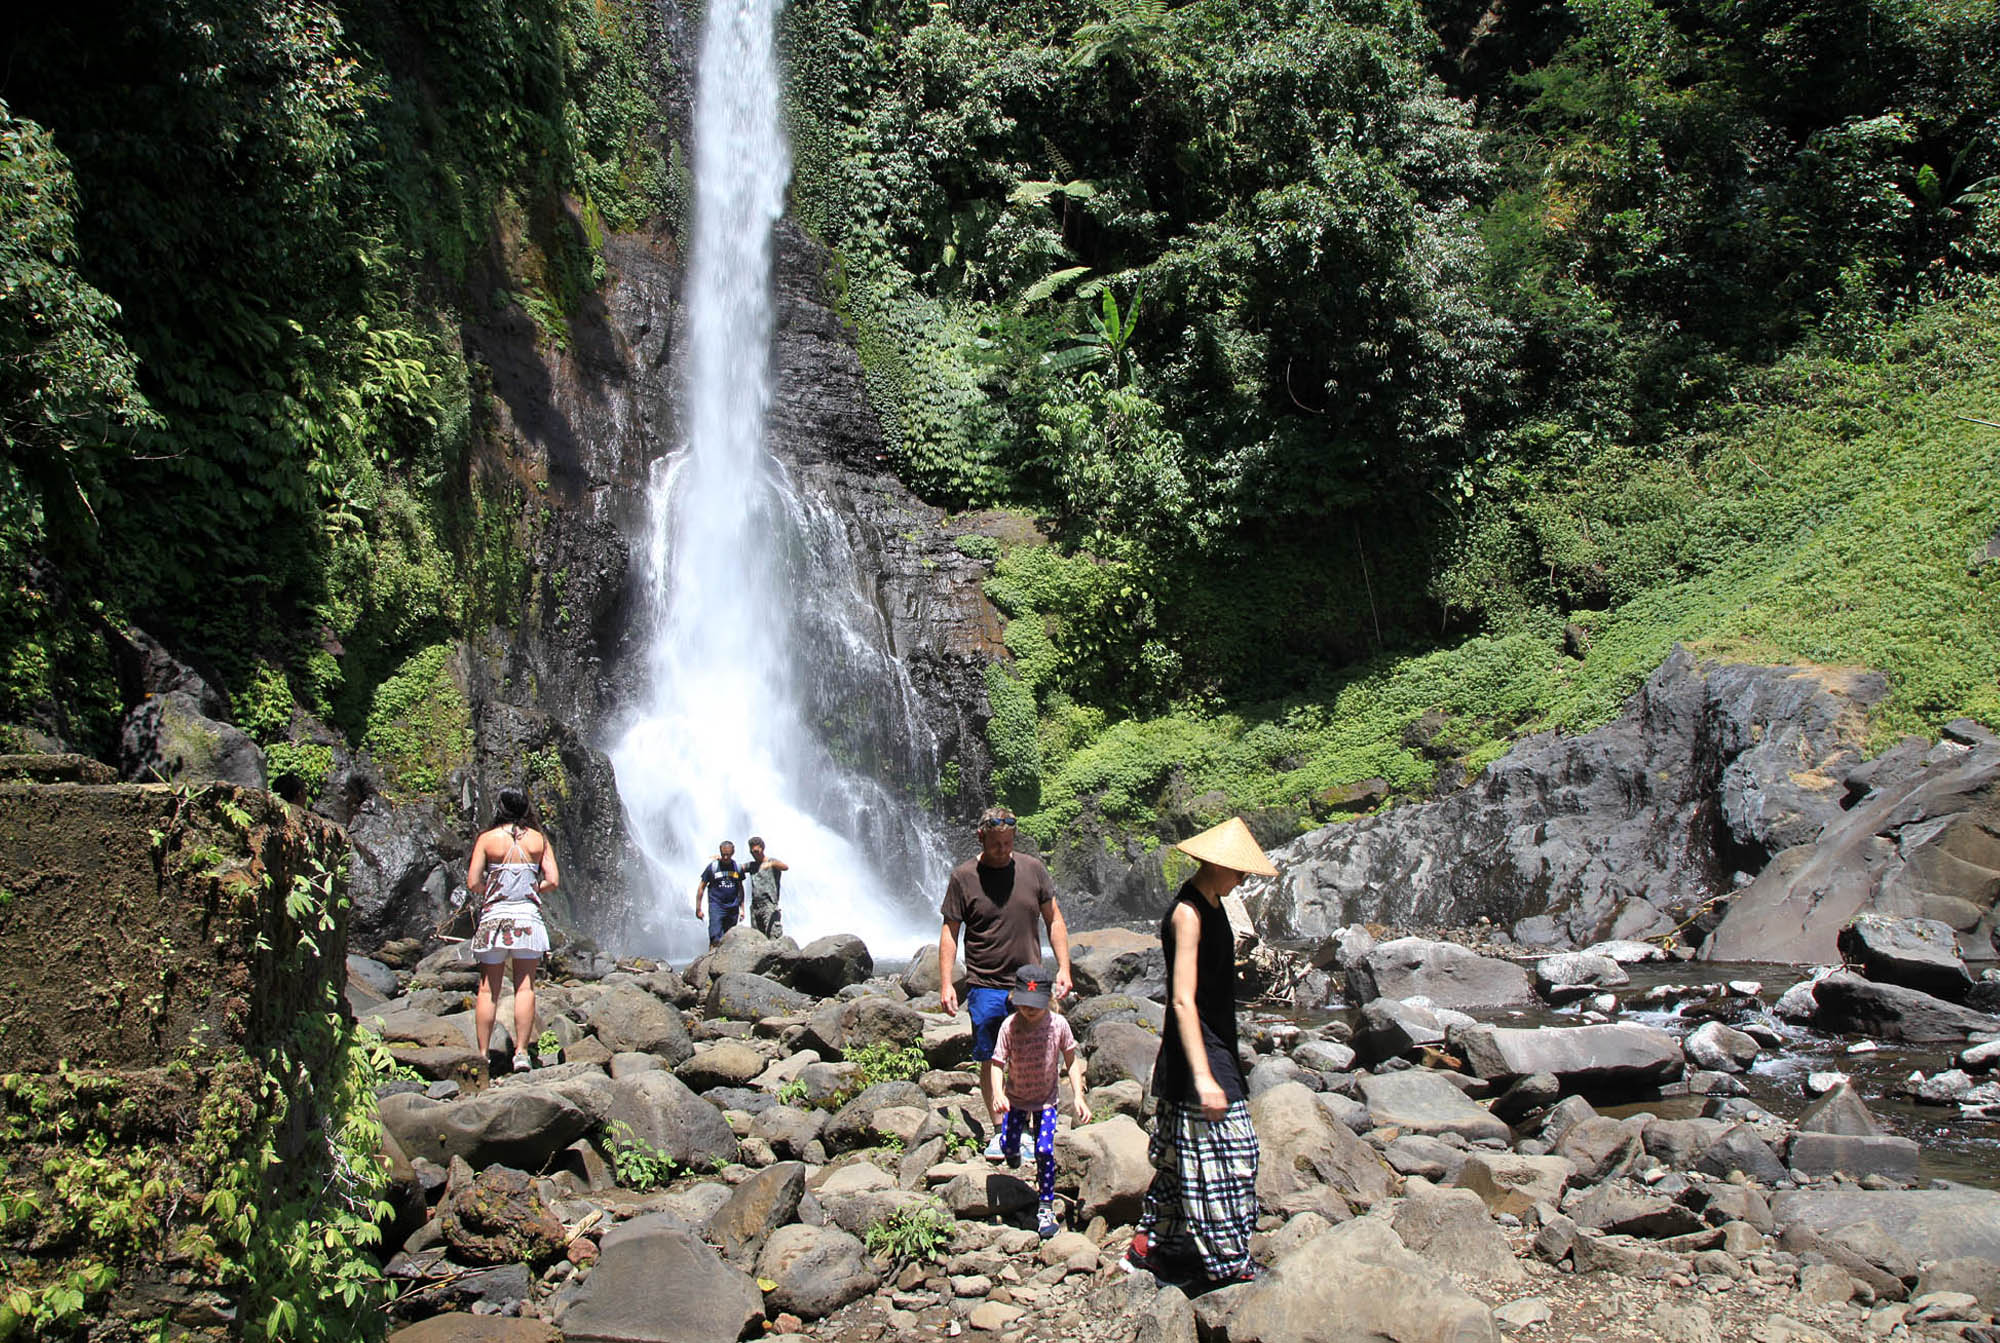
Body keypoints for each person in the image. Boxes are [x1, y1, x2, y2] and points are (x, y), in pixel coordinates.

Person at [1124, 816, 1277, 1288]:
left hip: (1212, 1046)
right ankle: (1229, 1264)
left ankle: (1153, 1248)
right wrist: (1206, 1076)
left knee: (1175, 1161)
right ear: (1212, 864)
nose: (1244, 878)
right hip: (1199, 1055)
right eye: (1237, 869)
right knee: (1232, 1155)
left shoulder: (1214, 903)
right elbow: (1182, 999)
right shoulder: (1187, 914)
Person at [938, 805, 1074, 1161]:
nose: (1003, 849)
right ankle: (1001, 1130)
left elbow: (1054, 919)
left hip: (1030, 980)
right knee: (992, 1057)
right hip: (985, 982)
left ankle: (1030, 1127)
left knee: (1040, 1052)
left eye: (1009, 842)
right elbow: (950, 932)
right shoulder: (963, 877)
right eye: (996, 843)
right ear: (981, 837)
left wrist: (1064, 967)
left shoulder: (1032, 869)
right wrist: (946, 982)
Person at [991, 962, 1091, 1239]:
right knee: (1010, 1146)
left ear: (1049, 999)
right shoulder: (1009, 1026)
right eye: (1023, 1004)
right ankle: (1010, 1149)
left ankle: (1045, 1205)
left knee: (1044, 1150)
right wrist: (998, 1093)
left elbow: (1071, 1061)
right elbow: (997, 1063)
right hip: (1016, 1099)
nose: (1029, 1010)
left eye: (1035, 1005)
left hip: (1047, 1100)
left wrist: (1079, 1097)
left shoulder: (1058, 1025)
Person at [465, 788, 560, 1074]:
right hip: (527, 921)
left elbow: (473, 882)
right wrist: (532, 888)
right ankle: (521, 1052)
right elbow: (553, 880)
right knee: (525, 986)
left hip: (495, 919)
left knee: (487, 989)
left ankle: (482, 1055)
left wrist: (492, 891)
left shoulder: (487, 839)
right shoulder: (538, 840)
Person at [694, 840, 746, 946]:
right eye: (723, 854)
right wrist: (698, 908)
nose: (725, 857)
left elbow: (740, 889)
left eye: (728, 854)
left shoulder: (738, 868)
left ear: (733, 853)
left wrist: (742, 909)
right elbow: (701, 887)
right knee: (715, 937)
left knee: (729, 938)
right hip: (717, 906)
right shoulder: (712, 867)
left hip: (733, 907)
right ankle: (712, 960)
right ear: (720, 852)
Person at [742, 835, 789, 938]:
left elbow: (785, 867)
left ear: (762, 849)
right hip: (755, 906)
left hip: (769, 905)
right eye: (752, 852)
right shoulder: (752, 865)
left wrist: (771, 864)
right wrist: (722, 860)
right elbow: (738, 868)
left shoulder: (771, 861)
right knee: (757, 938)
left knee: (773, 935)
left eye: (756, 851)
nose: (754, 854)